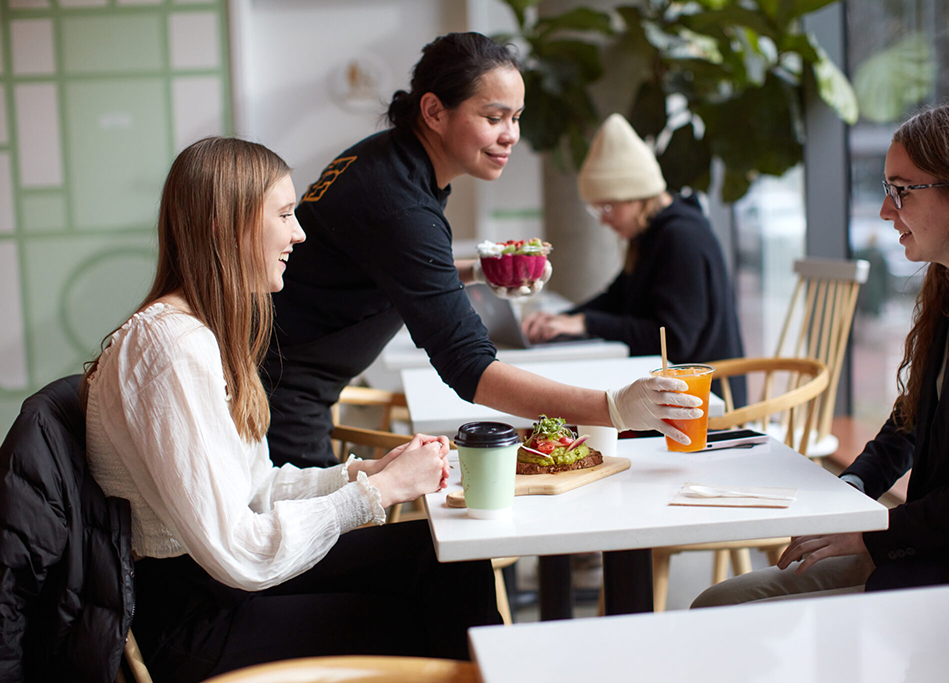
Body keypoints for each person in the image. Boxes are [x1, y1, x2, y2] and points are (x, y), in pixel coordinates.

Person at [84, 137, 501, 682]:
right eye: (284, 215)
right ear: (224, 227)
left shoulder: (199, 333)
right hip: (194, 624)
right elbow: (241, 552)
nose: (299, 233)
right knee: (419, 616)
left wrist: (363, 472)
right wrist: (378, 494)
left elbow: (255, 490)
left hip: (216, 586)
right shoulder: (172, 351)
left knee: (444, 557)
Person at [263, 32, 703, 469]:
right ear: (434, 111)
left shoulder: (389, 162)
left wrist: (478, 272)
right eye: (494, 117)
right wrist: (616, 408)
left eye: (516, 117)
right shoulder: (398, 202)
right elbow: (469, 367)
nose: (511, 135)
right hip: (279, 390)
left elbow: (397, 267)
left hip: (289, 382)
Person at [691, 102, 949, 607]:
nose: (887, 210)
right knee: (720, 602)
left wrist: (878, 533)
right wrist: (850, 487)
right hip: (932, 546)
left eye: (901, 192)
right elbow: (910, 423)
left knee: (722, 608)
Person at [521, 113, 746, 406]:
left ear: (635, 195)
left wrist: (584, 322)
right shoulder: (653, 236)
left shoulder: (682, 239)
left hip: (705, 410)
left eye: (607, 207)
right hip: (673, 397)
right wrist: (564, 319)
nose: (604, 220)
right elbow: (616, 298)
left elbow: (674, 339)